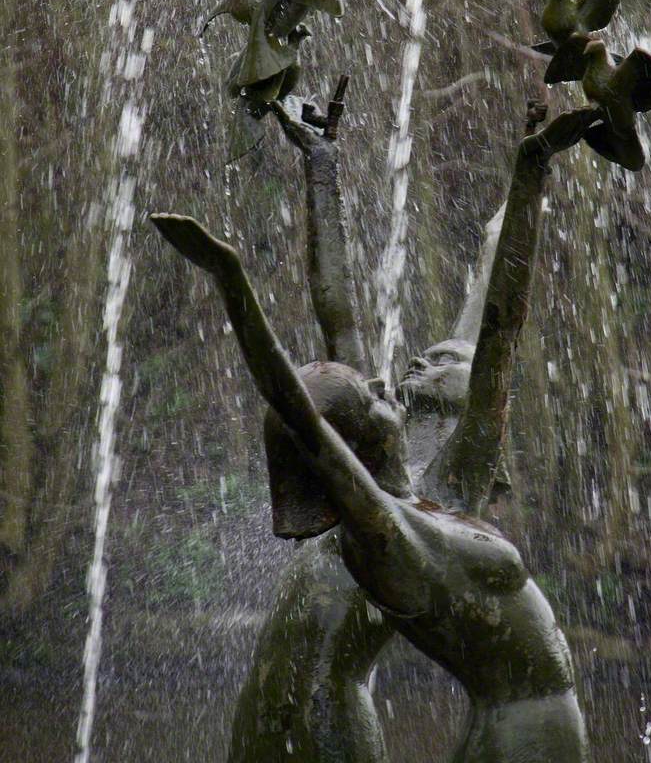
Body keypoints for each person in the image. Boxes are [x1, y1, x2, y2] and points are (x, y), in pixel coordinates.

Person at [151, 212, 589, 763]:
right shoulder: (378, 513)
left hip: (338, 706)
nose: (400, 370)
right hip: (314, 715)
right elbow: (297, 400)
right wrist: (230, 278)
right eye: (374, 397)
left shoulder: (439, 491)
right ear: (355, 444)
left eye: (443, 360)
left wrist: (322, 161)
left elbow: (482, 325)